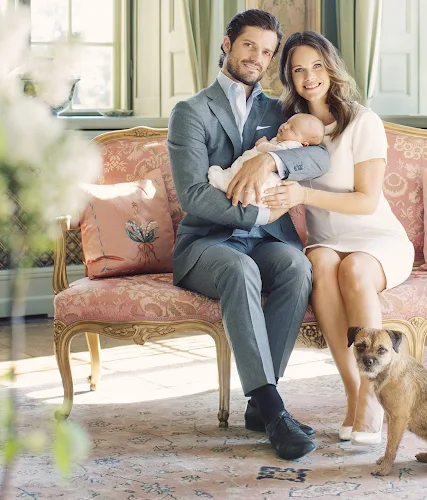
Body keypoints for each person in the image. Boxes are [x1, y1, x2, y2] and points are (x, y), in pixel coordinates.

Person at [167, 11, 329, 460]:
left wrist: (272, 163)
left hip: (267, 243)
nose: (257, 57)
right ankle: (274, 409)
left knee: (297, 266)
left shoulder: (279, 110)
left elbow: (319, 159)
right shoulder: (191, 112)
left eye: (266, 51)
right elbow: (195, 195)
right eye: (248, 46)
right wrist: (257, 215)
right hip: (208, 244)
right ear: (227, 44)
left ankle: (260, 405)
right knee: (239, 268)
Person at [263, 31, 414, 446]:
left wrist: (304, 194)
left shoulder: (363, 121)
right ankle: (353, 391)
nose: (309, 76)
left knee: (355, 269)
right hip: (326, 242)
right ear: (289, 79)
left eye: (316, 66)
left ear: (330, 67)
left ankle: (373, 394)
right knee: (323, 263)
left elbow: (367, 201)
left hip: (378, 240)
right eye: (297, 70)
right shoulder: (294, 130)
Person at [208, 113, 325, 207]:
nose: (285, 126)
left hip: (264, 184)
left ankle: (223, 183)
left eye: (292, 129)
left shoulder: (293, 145)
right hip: (254, 176)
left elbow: (276, 151)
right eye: (287, 122)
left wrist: (263, 143)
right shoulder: (284, 138)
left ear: (303, 144)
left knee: (239, 182)